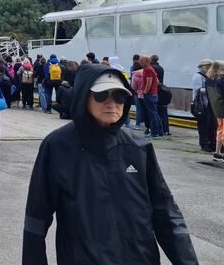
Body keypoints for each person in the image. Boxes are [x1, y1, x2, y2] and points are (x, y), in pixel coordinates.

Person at [22, 64, 199, 264]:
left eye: (119, 96)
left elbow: (166, 212)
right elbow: (37, 217)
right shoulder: (57, 146)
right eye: (101, 95)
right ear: (83, 97)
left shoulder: (139, 147)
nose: (111, 102)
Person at [205, 60, 224, 163]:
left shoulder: (209, 80)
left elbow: (209, 96)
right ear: (223, 69)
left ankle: (217, 153)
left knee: (220, 130)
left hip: (217, 110)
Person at [191, 59, 216, 152]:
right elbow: (199, 91)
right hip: (201, 104)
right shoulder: (198, 76)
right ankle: (204, 143)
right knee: (203, 124)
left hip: (209, 103)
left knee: (211, 124)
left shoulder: (208, 76)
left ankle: (211, 142)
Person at [140, 55, 164, 138]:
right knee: (155, 113)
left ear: (147, 61)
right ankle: (160, 132)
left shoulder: (148, 70)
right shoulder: (149, 69)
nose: (140, 62)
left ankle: (155, 133)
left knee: (152, 114)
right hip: (153, 94)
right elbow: (156, 81)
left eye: (142, 60)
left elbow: (149, 82)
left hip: (150, 94)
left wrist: (145, 92)